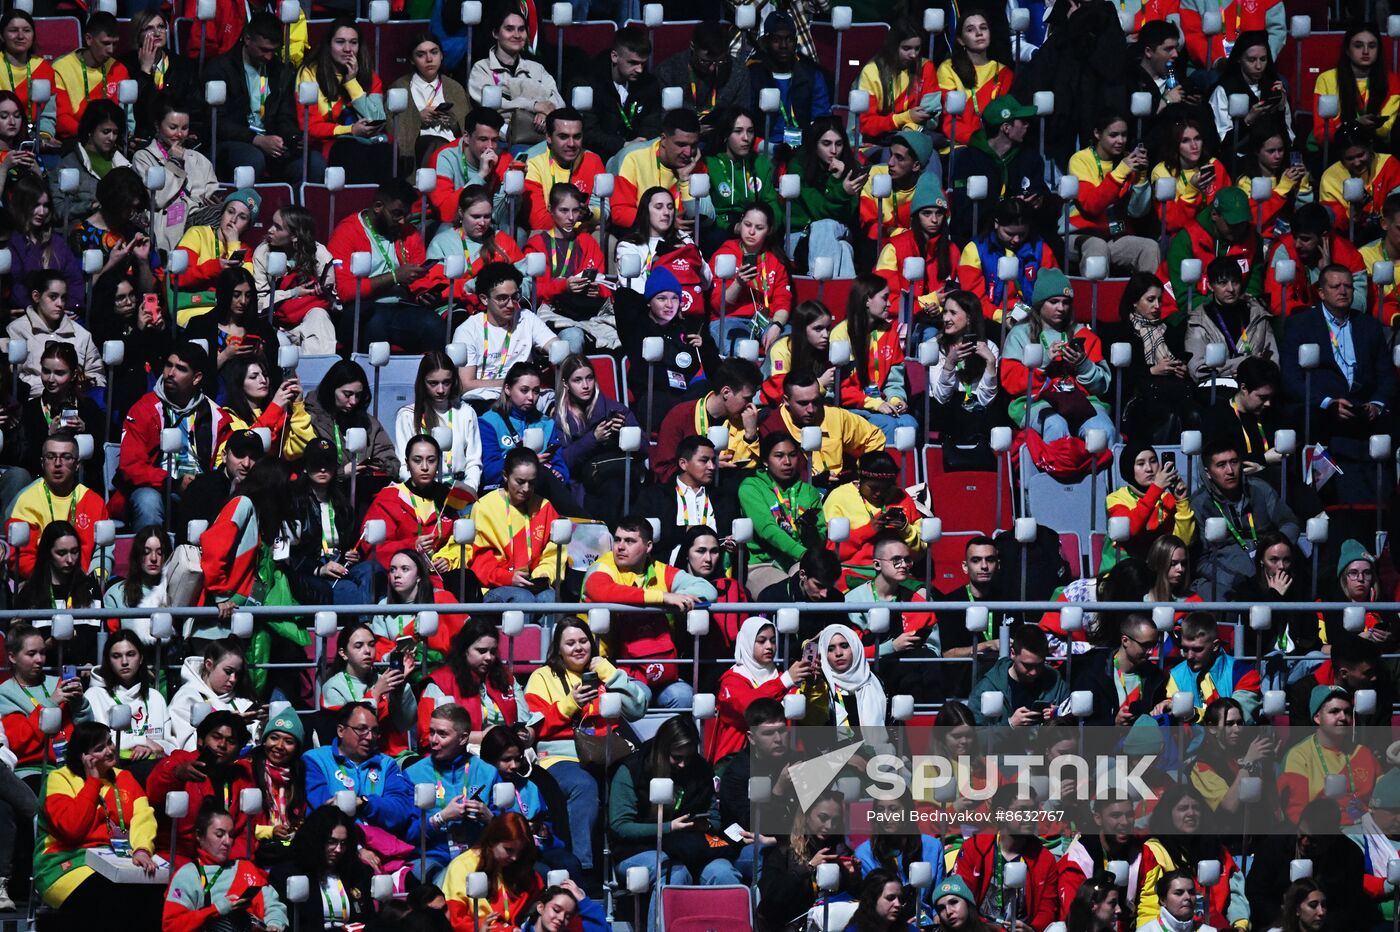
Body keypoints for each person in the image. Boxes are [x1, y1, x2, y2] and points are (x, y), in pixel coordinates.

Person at [523, 617, 649, 872]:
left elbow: (638, 709)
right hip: (560, 756)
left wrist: (611, 674)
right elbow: (533, 728)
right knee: (584, 784)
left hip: (607, 752)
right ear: (558, 648)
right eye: (570, 643)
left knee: (641, 777)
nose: (578, 648)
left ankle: (632, 859)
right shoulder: (543, 676)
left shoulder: (604, 673)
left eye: (583, 641)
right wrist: (571, 703)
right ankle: (582, 867)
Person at [611, 717, 741, 932]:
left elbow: (715, 819)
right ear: (662, 749)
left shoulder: (700, 769)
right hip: (640, 849)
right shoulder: (632, 769)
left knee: (725, 874)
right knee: (674, 873)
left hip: (692, 846)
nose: (683, 764)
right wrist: (669, 827)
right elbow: (620, 826)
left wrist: (705, 826)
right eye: (676, 757)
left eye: (688, 757)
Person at [36, 722, 160, 930]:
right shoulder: (60, 779)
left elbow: (143, 818)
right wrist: (93, 782)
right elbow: (72, 829)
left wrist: (141, 849)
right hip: (67, 863)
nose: (110, 749)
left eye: (109, 742)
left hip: (118, 861)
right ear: (84, 757)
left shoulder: (124, 777)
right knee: (112, 900)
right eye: (100, 748)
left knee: (155, 896)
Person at [582, 516, 715, 706]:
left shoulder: (660, 570)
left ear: (648, 546)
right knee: (636, 697)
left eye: (630, 541)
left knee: (684, 696)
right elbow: (600, 590)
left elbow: (707, 590)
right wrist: (663, 597)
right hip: (612, 666)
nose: (620, 546)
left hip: (663, 666)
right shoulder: (603, 566)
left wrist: (678, 597)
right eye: (618, 539)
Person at [115, 343, 231, 531]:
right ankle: (151, 557)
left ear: (196, 378)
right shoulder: (144, 409)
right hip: (155, 486)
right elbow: (131, 466)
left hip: (200, 486)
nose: (170, 373)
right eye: (169, 365)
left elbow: (223, 462)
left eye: (181, 369)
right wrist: (173, 483)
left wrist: (203, 483)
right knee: (147, 502)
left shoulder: (216, 416)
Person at [327, 179, 443, 353]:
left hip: (399, 306)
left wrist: (422, 293)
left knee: (433, 323)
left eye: (406, 214)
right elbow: (344, 291)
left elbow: (418, 278)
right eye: (396, 214)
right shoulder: (347, 233)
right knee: (376, 321)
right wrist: (394, 277)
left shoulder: (408, 232)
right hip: (358, 309)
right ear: (378, 206)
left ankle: (432, 378)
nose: (403, 221)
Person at [1001, 269, 1116, 444]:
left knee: (1104, 429)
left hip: (1080, 400)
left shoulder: (1084, 335)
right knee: (1055, 425)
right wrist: (1042, 362)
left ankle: (1097, 472)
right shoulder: (1020, 335)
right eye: (1053, 302)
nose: (1061, 308)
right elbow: (1010, 383)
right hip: (1036, 401)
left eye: (1066, 302)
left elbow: (1102, 387)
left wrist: (1083, 365)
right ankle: (1051, 472)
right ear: (1040, 303)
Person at [403, 703, 507, 881]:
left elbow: (508, 830)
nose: (434, 740)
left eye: (442, 734)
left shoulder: (486, 773)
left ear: (463, 738)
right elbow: (406, 835)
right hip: (433, 858)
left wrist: (489, 818)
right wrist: (440, 818)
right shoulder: (413, 774)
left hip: (478, 855)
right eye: (432, 732)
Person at [203, 13, 310, 184]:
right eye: (264, 50)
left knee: (312, 162)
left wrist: (292, 138)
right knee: (253, 159)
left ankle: (296, 211)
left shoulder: (281, 71)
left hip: (270, 143)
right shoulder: (220, 69)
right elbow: (217, 123)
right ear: (247, 39)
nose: (268, 57)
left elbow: (285, 117)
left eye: (273, 51)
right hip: (232, 142)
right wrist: (256, 140)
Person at [302, 703, 414, 860]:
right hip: (333, 853)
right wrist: (357, 849)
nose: (369, 737)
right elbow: (323, 811)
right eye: (361, 729)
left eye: (374, 731)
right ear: (341, 731)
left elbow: (400, 812)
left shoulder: (387, 765)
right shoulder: (315, 760)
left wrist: (365, 803)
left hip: (385, 852)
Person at [145, 710, 257, 861]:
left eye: (231, 741)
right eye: (216, 737)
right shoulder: (181, 761)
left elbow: (246, 834)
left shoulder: (243, 777)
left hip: (226, 858)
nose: (222, 745)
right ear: (201, 740)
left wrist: (226, 860)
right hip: (178, 855)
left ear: (239, 750)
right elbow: (153, 793)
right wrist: (176, 774)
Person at [162, 807, 288, 932]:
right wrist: (217, 909)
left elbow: (273, 905)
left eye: (231, 835)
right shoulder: (188, 875)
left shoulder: (245, 869)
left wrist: (274, 924)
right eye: (219, 835)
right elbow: (171, 926)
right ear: (199, 836)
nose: (227, 841)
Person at [953, 787, 1062, 929]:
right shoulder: (973, 848)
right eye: (1022, 810)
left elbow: (1048, 907)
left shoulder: (1045, 859)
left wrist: (1032, 929)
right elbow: (961, 897)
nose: (1030, 817)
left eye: (1034, 811)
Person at [296, 18, 389, 184]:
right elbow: (310, 127)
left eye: (353, 43)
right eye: (340, 42)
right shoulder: (309, 73)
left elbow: (377, 120)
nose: (348, 49)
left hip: (368, 140)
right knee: (351, 150)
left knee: (385, 152)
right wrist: (350, 130)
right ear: (328, 44)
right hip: (330, 144)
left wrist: (351, 82)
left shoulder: (369, 75)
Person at [554, 354, 644, 525]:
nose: (586, 385)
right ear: (566, 384)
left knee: (615, 488)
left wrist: (623, 435)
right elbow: (563, 461)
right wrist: (593, 438)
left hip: (619, 479)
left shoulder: (616, 409)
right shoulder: (561, 419)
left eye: (589, 378)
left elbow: (645, 450)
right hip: (583, 485)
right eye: (577, 380)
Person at [947, 96, 1049, 244]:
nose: (1028, 125)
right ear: (1006, 128)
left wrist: (1039, 200)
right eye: (1023, 121)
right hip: (979, 236)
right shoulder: (967, 159)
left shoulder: (1030, 158)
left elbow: (1040, 192)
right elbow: (964, 211)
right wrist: (1007, 207)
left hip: (1021, 234)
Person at [6, 431, 109, 578]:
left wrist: (96, 579)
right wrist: (54, 580)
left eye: (66, 457)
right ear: (42, 463)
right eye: (51, 457)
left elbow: (103, 552)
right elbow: (20, 558)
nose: (58, 463)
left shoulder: (94, 502)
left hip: (84, 585)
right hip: (40, 584)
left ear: (77, 464)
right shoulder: (26, 501)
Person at [760, 369, 886, 488]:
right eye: (803, 403)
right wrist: (811, 480)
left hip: (838, 491)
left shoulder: (835, 416)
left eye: (815, 401)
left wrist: (862, 476)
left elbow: (875, 437)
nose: (811, 410)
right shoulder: (771, 426)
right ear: (786, 401)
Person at [1066, 111, 1157, 275]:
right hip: (1077, 235)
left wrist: (1142, 176)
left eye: (1124, 135)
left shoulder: (1128, 160)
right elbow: (1091, 206)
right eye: (1113, 135)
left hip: (1113, 237)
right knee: (1097, 247)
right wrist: (1121, 172)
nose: (1120, 141)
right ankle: (1095, 301)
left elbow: (1138, 212)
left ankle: (1147, 298)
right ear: (1097, 134)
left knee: (1149, 247)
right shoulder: (1080, 159)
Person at [526, 184, 614, 350]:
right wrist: (564, 286)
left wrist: (598, 290)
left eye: (575, 211)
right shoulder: (537, 244)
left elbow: (605, 285)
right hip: (552, 312)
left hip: (588, 313)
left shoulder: (586, 241)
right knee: (573, 336)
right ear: (551, 210)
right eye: (564, 210)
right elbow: (533, 291)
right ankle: (571, 376)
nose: (571, 217)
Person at [0, 624, 91, 783]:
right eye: (31, 654)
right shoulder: (5, 693)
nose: (39, 660)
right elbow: (19, 743)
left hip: (71, 767)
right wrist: (51, 703)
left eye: (42, 653)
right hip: (31, 770)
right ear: (12, 657)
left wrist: (79, 703)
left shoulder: (58, 684)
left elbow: (86, 728)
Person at [709, 617, 808, 763]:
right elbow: (749, 709)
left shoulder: (782, 677)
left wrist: (813, 684)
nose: (769, 646)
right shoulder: (732, 680)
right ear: (747, 642)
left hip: (780, 755)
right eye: (761, 641)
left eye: (773, 641)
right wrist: (784, 682)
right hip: (739, 759)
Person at [757, 788, 861, 929]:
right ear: (806, 815)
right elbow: (770, 901)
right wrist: (808, 867)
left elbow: (856, 903)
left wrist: (853, 879)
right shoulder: (783, 851)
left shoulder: (841, 851)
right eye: (823, 818)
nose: (830, 826)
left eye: (835, 820)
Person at [452, 261, 554, 403]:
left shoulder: (526, 318)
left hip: (525, 397)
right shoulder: (467, 330)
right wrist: (514, 383)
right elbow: (466, 385)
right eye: (502, 298)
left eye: (514, 297)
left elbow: (556, 346)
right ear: (484, 299)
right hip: (484, 399)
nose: (511, 304)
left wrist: (557, 354)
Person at [419, 619, 532, 748]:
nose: (489, 657)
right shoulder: (439, 683)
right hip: (460, 756)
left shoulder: (507, 679)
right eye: (481, 651)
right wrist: (484, 737)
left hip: (508, 754)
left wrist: (524, 734)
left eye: (493, 651)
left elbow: (525, 723)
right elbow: (428, 736)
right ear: (465, 650)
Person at [129, 94, 220, 254]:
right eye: (173, 127)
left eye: (184, 128)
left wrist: (215, 202)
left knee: (238, 206)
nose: (179, 134)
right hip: (172, 223)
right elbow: (157, 199)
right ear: (158, 125)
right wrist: (173, 163)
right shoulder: (143, 157)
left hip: (202, 217)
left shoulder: (198, 159)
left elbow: (211, 193)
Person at [739, 432, 826, 594]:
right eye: (779, 456)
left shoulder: (809, 492)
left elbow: (819, 540)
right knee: (790, 591)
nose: (787, 462)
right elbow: (767, 529)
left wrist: (809, 531)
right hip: (763, 564)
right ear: (765, 460)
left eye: (792, 455)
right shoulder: (751, 487)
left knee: (815, 586)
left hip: (799, 562)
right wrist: (805, 555)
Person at [305, 360, 400, 509]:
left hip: (364, 496)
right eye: (347, 394)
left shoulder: (369, 423)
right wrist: (343, 473)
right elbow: (309, 468)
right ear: (331, 390)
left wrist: (377, 467)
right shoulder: (311, 420)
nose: (353, 401)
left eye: (358, 395)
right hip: (324, 498)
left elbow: (392, 462)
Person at [830, 276, 914, 443]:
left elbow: (894, 381)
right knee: (888, 426)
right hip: (853, 408)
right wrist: (874, 404)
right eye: (885, 297)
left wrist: (896, 399)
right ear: (867, 300)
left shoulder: (890, 332)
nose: (890, 303)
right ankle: (880, 469)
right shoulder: (841, 334)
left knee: (909, 424)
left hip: (882, 404)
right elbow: (840, 389)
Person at [477, 363, 573, 508]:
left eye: (536, 391)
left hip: (542, 490)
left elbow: (561, 467)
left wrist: (559, 473)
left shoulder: (547, 423)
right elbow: (489, 472)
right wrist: (528, 463)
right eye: (524, 390)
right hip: (502, 491)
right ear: (508, 389)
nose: (531, 397)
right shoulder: (489, 422)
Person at [1278, 685, 1378, 824]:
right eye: (1335, 711)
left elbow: (1383, 800)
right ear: (1317, 718)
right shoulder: (1298, 756)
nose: (1343, 717)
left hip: (1366, 831)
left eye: (1347, 712)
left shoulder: (1363, 753)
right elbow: (1297, 814)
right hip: (1321, 834)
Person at [653, 358, 763, 484]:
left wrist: (750, 436)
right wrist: (707, 466)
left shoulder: (748, 420)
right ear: (726, 392)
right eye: (747, 398)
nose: (750, 405)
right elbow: (664, 470)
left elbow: (751, 471)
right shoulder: (680, 416)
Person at [781, 116, 865, 278]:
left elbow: (846, 215)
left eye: (838, 144)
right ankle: (842, 299)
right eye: (826, 144)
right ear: (815, 144)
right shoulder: (798, 166)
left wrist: (840, 185)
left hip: (838, 230)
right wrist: (838, 186)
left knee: (826, 226)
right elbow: (819, 209)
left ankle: (818, 285)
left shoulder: (851, 168)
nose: (833, 150)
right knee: (843, 249)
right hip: (800, 236)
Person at [466, 8, 560, 146]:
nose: (517, 35)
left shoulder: (536, 68)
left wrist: (546, 114)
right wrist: (534, 106)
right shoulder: (481, 68)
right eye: (509, 29)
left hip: (540, 136)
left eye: (521, 29)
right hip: (498, 140)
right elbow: (494, 105)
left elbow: (557, 100)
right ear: (496, 33)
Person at [269, 806, 373, 929]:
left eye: (343, 843)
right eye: (331, 842)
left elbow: (368, 919)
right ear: (316, 840)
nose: (338, 849)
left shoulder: (357, 874)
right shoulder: (287, 875)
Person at [957, 197, 1059, 323]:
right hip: (990, 320)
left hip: (1035, 319)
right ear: (996, 223)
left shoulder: (1041, 250)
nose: (1016, 239)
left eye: (1022, 234)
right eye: (1009, 234)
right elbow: (972, 301)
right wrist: (1003, 317)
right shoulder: (974, 250)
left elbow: (1054, 292)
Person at [320, 622, 417, 754]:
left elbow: (405, 723)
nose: (367, 651)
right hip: (351, 756)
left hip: (389, 754)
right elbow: (345, 732)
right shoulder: (333, 686)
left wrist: (399, 687)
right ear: (343, 653)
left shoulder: (382, 679)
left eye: (371, 645)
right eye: (359, 646)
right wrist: (375, 693)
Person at [393, 351, 482, 493]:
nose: (440, 390)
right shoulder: (407, 415)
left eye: (446, 382)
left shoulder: (466, 412)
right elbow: (404, 466)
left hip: (458, 489)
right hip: (420, 491)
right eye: (433, 383)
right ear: (422, 382)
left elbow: (474, 461)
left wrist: (469, 490)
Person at [253, 205, 338, 353]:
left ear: (294, 236)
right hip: (275, 320)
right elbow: (259, 301)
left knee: (319, 317)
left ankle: (318, 372)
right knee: (280, 342)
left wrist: (324, 292)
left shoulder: (320, 255)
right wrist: (293, 293)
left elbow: (334, 301)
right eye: (272, 224)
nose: (270, 230)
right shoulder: (263, 253)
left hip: (308, 315)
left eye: (277, 227)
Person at [709, 201, 792, 353]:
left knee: (788, 344)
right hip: (729, 320)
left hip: (767, 322)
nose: (751, 232)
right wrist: (738, 283)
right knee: (744, 348)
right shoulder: (725, 254)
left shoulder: (775, 259)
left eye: (759, 228)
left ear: (769, 230)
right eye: (747, 225)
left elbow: (783, 302)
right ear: (740, 224)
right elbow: (717, 305)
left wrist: (777, 326)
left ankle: (770, 376)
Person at [7, 270, 102, 399]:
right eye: (53, 297)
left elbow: (97, 374)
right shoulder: (16, 330)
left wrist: (87, 382)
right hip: (32, 406)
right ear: (36, 296)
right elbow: (11, 379)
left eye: (63, 298)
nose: (60, 304)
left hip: (73, 404)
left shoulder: (81, 334)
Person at [83, 631, 173, 767]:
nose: (124, 662)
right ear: (108, 661)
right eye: (116, 656)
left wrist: (150, 748)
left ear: (141, 658)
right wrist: (142, 740)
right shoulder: (94, 695)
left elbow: (171, 744)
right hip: (111, 770)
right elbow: (96, 743)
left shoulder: (155, 697)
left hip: (153, 767)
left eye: (130, 654)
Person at [614, 187, 710, 311]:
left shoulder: (684, 240)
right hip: (646, 313)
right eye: (659, 207)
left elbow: (706, 281)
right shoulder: (630, 245)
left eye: (670, 207)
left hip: (686, 307)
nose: (666, 212)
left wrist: (690, 255)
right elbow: (635, 289)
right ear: (645, 211)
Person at [1185, 257, 1278, 385]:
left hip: (1254, 391)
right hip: (1216, 393)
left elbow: (1274, 365)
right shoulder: (1198, 321)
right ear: (1210, 286)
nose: (1231, 289)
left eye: (1235, 282)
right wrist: (1246, 363)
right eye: (1223, 283)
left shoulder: (1258, 315)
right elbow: (1198, 371)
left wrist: (1245, 372)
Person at [698, 107, 779, 254]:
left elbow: (772, 205)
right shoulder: (709, 164)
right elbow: (706, 213)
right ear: (726, 134)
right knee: (716, 238)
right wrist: (732, 226)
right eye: (738, 131)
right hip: (723, 229)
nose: (746, 138)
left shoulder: (760, 164)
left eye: (750, 131)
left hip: (755, 226)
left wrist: (763, 226)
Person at [1265, 203, 1369, 317]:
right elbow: (1278, 304)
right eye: (1295, 237)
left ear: (1324, 236)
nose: (1297, 244)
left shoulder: (1349, 256)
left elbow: (1360, 305)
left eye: (1305, 239)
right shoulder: (1284, 250)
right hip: (1298, 322)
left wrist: (1328, 275)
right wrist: (1315, 318)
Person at [577, 25, 661, 162]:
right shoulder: (589, 83)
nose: (639, 70)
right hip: (598, 156)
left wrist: (640, 144)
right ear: (615, 57)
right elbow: (588, 132)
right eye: (633, 63)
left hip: (640, 156)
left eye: (643, 64)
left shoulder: (649, 84)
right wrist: (623, 145)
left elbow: (652, 124)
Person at [1103, 441, 1196, 566]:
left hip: (1158, 570)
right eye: (1141, 464)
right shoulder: (1115, 499)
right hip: (1123, 570)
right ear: (1129, 469)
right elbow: (1130, 531)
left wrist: (1181, 501)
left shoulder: (1167, 498)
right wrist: (1156, 489)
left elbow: (1183, 542)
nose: (1149, 469)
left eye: (1153, 461)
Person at [1312, 23, 1398, 153]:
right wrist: (1356, 125)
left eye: (1372, 46)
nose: (1365, 51)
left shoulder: (1392, 80)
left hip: (1376, 148)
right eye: (1358, 46)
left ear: (1378, 50)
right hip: (1336, 150)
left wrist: (1350, 126)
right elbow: (1322, 133)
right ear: (1347, 50)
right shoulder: (1326, 79)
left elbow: (1383, 130)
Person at [612, 108, 702, 231]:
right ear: (663, 139)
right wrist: (664, 221)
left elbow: (702, 217)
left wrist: (685, 179)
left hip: (683, 235)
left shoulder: (696, 161)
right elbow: (620, 212)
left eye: (693, 145)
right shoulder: (633, 158)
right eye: (681, 145)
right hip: (639, 233)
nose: (688, 152)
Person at [390, 33, 471, 169]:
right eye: (421, 55)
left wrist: (453, 122)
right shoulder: (400, 87)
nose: (429, 59)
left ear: (441, 56)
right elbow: (393, 128)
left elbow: (468, 126)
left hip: (454, 146)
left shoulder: (454, 88)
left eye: (434, 52)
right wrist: (418, 118)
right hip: (418, 149)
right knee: (436, 144)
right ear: (412, 60)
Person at [1071, 613, 1167, 726]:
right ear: (1125, 641)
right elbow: (1082, 725)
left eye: (1154, 645)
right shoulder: (1094, 671)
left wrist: (1165, 705)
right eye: (1145, 645)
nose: (1151, 652)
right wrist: (1113, 723)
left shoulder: (1154, 675)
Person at [1166, 612, 1263, 723]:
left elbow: (1234, 722)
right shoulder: (1174, 676)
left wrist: (1195, 714)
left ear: (1215, 645)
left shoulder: (1245, 674)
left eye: (1197, 649)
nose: (1189, 656)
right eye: (1185, 649)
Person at [937, 7, 1013, 148]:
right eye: (970, 30)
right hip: (961, 146)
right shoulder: (948, 68)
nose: (979, 33)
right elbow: (950, 124)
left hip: (997, 144)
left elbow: (1006, 116)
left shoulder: (1003, 72)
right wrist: (981, 143)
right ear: (960, 40)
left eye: (983, 28)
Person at [8, 175, 84, 316]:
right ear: (22, 205)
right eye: (36, 205)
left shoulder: (57, 243)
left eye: (46, 206)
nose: (42, 212)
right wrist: (40, 311)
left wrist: (70, 306)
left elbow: (74, 281)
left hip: (59, 314)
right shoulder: (12, 242)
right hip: (25, 316)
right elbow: (16, 287)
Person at [523, 107, 607, 234]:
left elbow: (604, 211)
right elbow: (539, 221)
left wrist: (588, 215)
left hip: (584, 236)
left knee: (606, 239)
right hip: (548, 235)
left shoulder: (593, 160)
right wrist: (581, 225)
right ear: (549, 137)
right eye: (564, 137)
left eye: (577, 137)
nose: (571, 144)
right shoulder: (532, 163)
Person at [856, 18, 937, 149]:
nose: (913, 55)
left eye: (917, 48)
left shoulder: (926, 67)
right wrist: (904, 118)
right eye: (907, 48)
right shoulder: (871, 71)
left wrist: (909, 128)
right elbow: (867, 125)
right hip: (878, 143)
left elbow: (933, 118)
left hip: (916, 138)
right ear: (893, 46)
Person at [166, 640, 260, 752]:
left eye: (237, 674)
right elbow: (186, 745)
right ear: (209, 665)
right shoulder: (187, 697)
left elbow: (255, 744)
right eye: (228, 671)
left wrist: (262, 726)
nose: (233, 679)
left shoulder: (243, 702)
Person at [968, 623, 1068, 727]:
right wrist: (1010, 724)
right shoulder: (988, 688)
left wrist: (1060, 716)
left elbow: (1073, 729)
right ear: (1012, 653)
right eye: (1027, 665)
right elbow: (975, 736)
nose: (1033, 672)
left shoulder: (1055, 682)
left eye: (1039, 665)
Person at [218, 354, 312, 464]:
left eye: (265, 375)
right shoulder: (227, 416)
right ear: (239, 383)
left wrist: (298, 406)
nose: (263, 380)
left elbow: (303, 447)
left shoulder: (280, 413)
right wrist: (275, 408)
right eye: (253, 377)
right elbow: (245, 445)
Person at [1208, 31, 1293, 154]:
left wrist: (1281, 108)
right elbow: (1221, 142)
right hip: (1239, 161)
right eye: (1252, 60)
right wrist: (1247, 120)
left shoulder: (1274, 88)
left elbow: (1290, 138)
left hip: (1274, 157)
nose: (1258, 66)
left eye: (1263, 59)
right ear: (1239, 59)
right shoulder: (1224, 90)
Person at [52, 99, 128, 231]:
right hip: (80, 237)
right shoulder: (68, 164)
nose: (111, 138)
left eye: (115, 132)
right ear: (90, 130)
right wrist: (90, 206)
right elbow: (57, 211)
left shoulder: (124, 165)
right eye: (106, 132)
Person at [654, 20, 750, 124]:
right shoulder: (668, 71)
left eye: (720, 61)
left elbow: (742, 114)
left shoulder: (738, 72)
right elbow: (662, 118)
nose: (712, 68)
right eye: (705, 61)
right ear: (692, 46)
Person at [170, 188, 259, 301]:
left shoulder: (244, 250)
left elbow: (245, 290)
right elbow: (178, 278)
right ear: (222, 213)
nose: (233, 219)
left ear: (248, 227)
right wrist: (215, 267)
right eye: (230, 211)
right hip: (193, 307)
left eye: (242, 217)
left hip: (225, 312)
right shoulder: (197, 233)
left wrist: (233, 245)